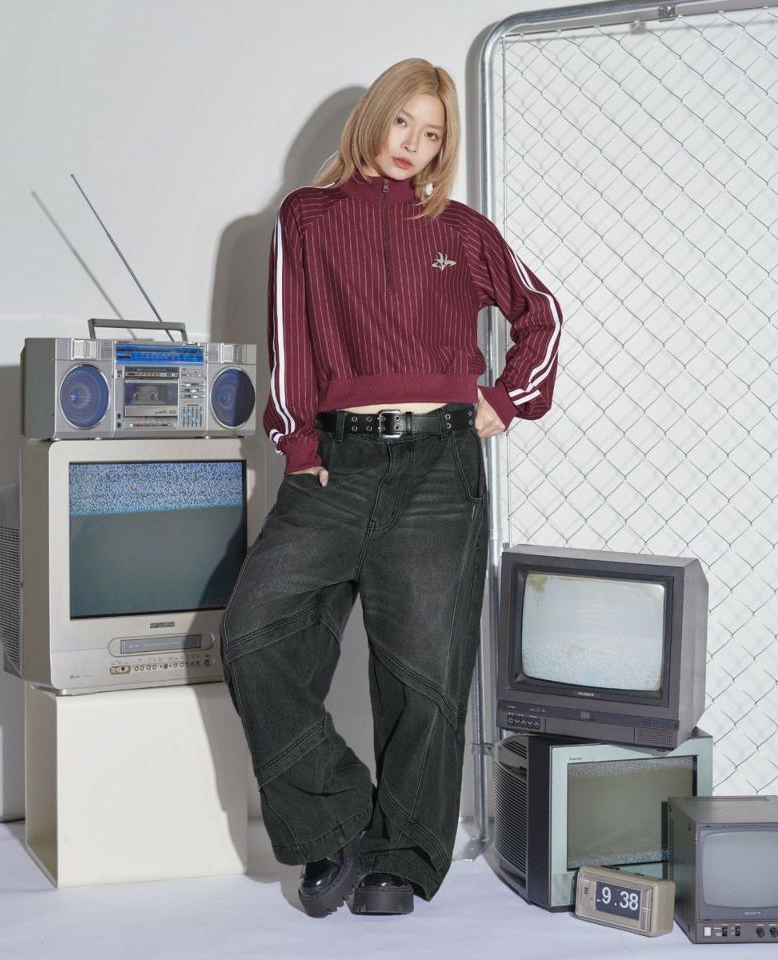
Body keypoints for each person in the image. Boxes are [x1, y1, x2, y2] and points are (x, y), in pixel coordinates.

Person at [219, 57, 563, 918]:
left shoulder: (463, 230)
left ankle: (400, 857)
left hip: (440, 468)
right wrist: (297, 442)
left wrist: (506, 397)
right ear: (374, 117)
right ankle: (333, 820)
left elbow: (541, 314)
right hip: (334, 464)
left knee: (425, 672)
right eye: (403, 121)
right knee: (255, 632)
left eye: (433, 133)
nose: (414, 144)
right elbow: (289, 338)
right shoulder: (306, 217)